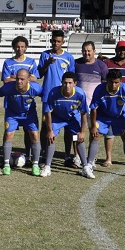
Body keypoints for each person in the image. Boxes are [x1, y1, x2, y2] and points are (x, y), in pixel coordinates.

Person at [89, 69, 125, 179]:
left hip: (119, 117)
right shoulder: (100, 89)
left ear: (120, 82)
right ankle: (88, 166)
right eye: (111, 82)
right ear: (107, 81)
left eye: (116, 82)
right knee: (95, 136)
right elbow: (94, 109)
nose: (113, 85)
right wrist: (94, 126)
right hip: (102, 117)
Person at [38, 29, 75, 165]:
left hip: (65, 97)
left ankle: (67, 155)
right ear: (51, 40)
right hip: (48, 95)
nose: (56, 43)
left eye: (58, 41)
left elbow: (72, 78)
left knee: (68, 126)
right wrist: (47, 63)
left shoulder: (69, 57)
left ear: (63, 42)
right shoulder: (44, 55)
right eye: (54, 41)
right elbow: (40, 73)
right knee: (45, 125)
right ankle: (43, 154)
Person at [42, 72, 89, 178]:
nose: (67, 86)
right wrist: (50, 130)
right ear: (61, 83)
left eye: (70, 83)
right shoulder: (54, 92)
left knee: (78, 138)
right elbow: (48, 112)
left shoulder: (80, 93)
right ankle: (47, 167)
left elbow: (83, 113)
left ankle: (85, 167)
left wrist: (82, 131)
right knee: (51, 137)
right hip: (57, 118)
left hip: (72, 118)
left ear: (75, 83)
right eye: (65, 83)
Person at [101, 40, 125, 166]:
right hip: (110, 103)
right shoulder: (107, 63)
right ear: (115, 50)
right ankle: (108, 158)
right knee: (109, 132)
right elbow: (103, 81)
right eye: (120, 49)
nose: (122, 51)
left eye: (124, 49)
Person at [0, 69, 43, 176]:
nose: (19, 81)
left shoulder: (35, 88)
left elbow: (45, 96)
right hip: (12, 115)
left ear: (28, 80)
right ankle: (6, 164)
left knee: (35, 135)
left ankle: (35, 165)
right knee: (9, 134)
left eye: (22, 79)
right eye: (17, 78)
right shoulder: (9, 87)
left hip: (29, 115)